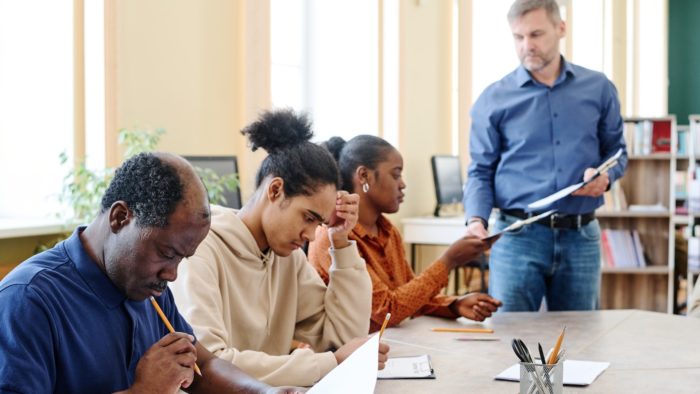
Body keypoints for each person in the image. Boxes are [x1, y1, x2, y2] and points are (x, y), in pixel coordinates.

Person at [0, 152, 292, 393]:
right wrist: (142, 392)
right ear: (120, 217)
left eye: (182, 259)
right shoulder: (28, 299)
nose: (173, 274)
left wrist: (264, 391)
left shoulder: (146, 287)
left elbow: (203, 366)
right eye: (167, 254)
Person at [170, 109, 389, 388]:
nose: (311, 234)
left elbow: (342, 337)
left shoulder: (287, 257)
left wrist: (341, 241)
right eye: (309, 217)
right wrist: (330, 363)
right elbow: (212, 364)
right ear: (275, 190)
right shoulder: (199, 249)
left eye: (319, 223)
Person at [463, 0, 628, 312]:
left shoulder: (599, 88)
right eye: (518, 37)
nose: (528, 46)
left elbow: (618, 153)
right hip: (517, 238)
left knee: (578, 344)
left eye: (536, 34)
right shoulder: (493, 99)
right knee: (511, 343)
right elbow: (480, 170)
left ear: (561, 28)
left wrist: (606, 178)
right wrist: (476, 220)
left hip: (581, 238)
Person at [307, 135, 502, 332]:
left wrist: (454, 304)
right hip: (345, 353)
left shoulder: (388, 232)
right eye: (396, 174)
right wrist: (448, 261)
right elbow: (386, 311)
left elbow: (409, 296)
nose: (403, 184)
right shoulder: (332, 237)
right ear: (364, 176)